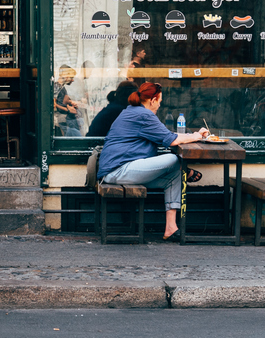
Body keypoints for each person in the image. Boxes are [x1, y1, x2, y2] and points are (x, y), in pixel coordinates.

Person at [97, 81, 209, 240]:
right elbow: (171, 140)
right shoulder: (143, 114)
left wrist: (193, 136)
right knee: (173, 160)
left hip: (121, 169)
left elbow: (167, 136)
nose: (159, 106)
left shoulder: (134, 111)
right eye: (159, 102)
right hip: (117, 171)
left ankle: (171, 228)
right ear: (152, 100)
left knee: (174, 175)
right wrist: (196, 136)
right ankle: (187, 171)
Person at [54, 65, 84, 137]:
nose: (72, 80)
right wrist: (68, 109)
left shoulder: (61, 87)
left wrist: (71, 103)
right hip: (60, 121)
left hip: (65, 120)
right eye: (71, 77)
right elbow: (53, 104)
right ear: (65, 75)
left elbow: (64, 101)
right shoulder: (56, 87)